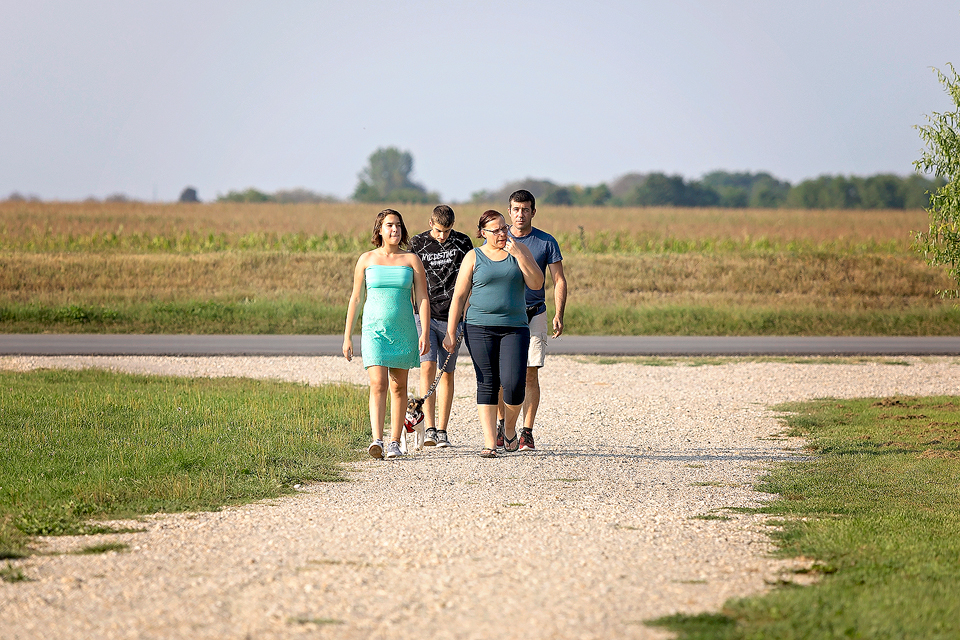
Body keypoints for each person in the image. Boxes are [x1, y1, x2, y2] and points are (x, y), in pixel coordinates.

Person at [443, 210, 544, 458]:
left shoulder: (519, 251)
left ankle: (509, 429)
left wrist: (520, 255)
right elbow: (458, 296)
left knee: (513, 384)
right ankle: (490, 443)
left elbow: (537, 283)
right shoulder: (473, 256)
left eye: (503, 228)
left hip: (515, 327)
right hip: (479, 326)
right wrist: (450, 331)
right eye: (495, 230)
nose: (502, 233)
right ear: (483, 233)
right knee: (486, 382)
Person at [343, 209, 430, 460]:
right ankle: (377, 439)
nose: (395, 230)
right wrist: (347, 335)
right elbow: (356, 298)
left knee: (399, 386)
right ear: (379, 229)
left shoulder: (411, 260)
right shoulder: (366, 259)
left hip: (403, 330)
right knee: (378, 383)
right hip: (374, 330)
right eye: (390, 225)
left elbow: (422, 297)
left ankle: (395, 441)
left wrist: (423, 331)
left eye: (399, 226)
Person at [496, 189, 567, 452]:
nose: (520, 214)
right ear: (509, 211)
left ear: (533, 212)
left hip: (535, 311)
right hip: (506, 314)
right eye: (515, 209)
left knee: (530, 373)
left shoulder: (546, 242)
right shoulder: (500, 240)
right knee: (503, 375)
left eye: (525, 209)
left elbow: (559, 279)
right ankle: (502, 427)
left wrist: (559, 313)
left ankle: (527, 431)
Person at [409, 204, 474, 448]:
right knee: (427, 368)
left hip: (453, 317)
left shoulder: (463, 242)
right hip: (425, 315)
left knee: (446, 372)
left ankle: (443, 430)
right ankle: (429, 428)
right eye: (438, 231)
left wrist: (464, 312)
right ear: (430, 224)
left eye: (447, 231)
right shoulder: (417, 244)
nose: (443, 236)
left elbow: (470, 277)